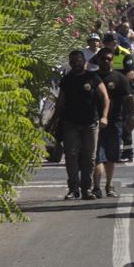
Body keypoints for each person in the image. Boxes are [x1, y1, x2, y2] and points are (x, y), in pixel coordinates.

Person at [53, 48, 107, 199]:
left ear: (84, 61)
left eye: (78, 61)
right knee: (71, 155)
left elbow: (105, 98)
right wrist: (54, 122)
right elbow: (60, 102)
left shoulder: (93, 77)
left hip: (90, 123)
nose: (76, 64)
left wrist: (104, 116)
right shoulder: (67, 80)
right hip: (70, 123)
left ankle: (87, 189)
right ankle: (73, 189)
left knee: (89, 157)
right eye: (72, 62)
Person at [92, 48, 134, 197]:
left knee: (111, 157)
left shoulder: (119, 78)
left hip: (115, 122)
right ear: (98, 60)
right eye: (102, 58)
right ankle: (96, 186)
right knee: (97, 156)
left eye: (108, 59)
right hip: (95, 123)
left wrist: (131, 116)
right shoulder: (92, 78)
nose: (105, 61)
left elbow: (128, 98)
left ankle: (109, 185)